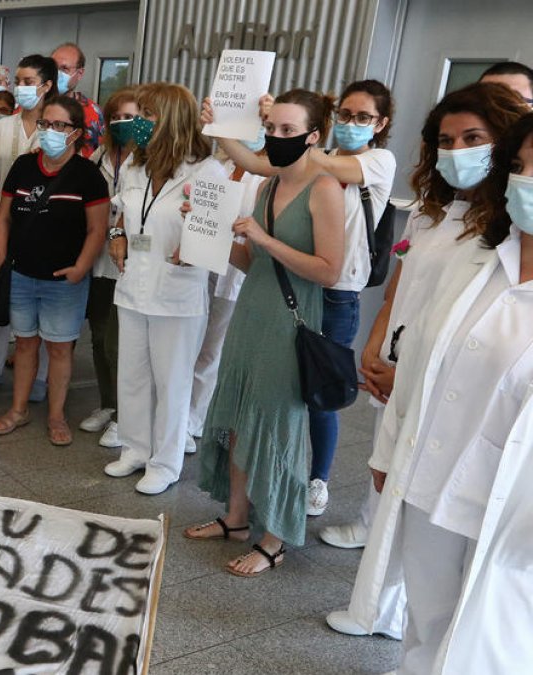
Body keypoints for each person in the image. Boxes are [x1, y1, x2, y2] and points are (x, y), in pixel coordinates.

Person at [325, 82, 528, 643]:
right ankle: (383, 611)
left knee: (428, 527)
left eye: (473, 138)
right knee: (395, 498)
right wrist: (378, 341)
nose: (456, 150)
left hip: (440, 384)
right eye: (446, 139)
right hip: (404, 362)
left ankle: (386, 613)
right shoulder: (436, 211)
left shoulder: (500, 234)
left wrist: (410, 369)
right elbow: (401, 287)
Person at [211, 81, 398, 516]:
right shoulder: (313, 164)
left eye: (363, 117)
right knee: (272, 396)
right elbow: (260, 165)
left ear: (381, 123)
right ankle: (244, 508)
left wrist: (285, 134)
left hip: (336, 293)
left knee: (318, 391)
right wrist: (224, 128)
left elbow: (277, 162)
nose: (352, 125)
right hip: (284, 289)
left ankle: (316, 479)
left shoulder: (372, 162)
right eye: (346, 115)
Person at [184, 89, 345, 575]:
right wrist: (209, 233)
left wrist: (263, 239)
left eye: (287, 131)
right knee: (236, 418)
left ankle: (273, 538)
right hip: (254, 311)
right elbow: (253, 262)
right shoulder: (269, 184)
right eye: (271, 128)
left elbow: (329, 271)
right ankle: (236, 518)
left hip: (289, 321)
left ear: (313, 137)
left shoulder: (325, 188)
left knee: (277, 426)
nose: (276, 138)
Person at [102, 82, 223, 493]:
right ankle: (135, 448)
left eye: (147, 116)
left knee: (172, 381)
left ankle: (166, 461)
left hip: (177, 292)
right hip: (134, 284)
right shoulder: (135, 166)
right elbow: (121, 213)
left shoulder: (207, 171)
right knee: (132, 375)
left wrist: (198, 246)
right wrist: (116, 235)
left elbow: (215, 236)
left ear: (171, 119)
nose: (137, 124)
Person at [0, 95, 108, 445]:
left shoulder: (88, 175)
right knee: (25, 345)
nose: (50, 131)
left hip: (64, 281)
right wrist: (2, 260)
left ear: (76, 132)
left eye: (60, 125)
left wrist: (80, 268)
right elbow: (3, 217)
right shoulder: (24, 166)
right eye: (45, 124)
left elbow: (97, 230)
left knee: (59, 349)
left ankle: (56, 416)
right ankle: (18, 409)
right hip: (22, 274)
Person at [0, 54, 56, 396]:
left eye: (28, 82)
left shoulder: (57, 129)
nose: (21, 88)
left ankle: (39, 376)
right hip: (4, 223)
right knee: (1, 294)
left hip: (44, 227)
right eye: (19, 82)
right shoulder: (0, 128)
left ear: (47, 86)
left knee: (40, 301)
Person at [187, 132, 269, 456]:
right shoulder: (216, 166)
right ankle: (184, 415)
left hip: (234, 271)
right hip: (201, 265)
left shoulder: (265, 172)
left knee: (212, 350)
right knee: (192, 345)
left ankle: (195, 421)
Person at [81, 86, 140, 449]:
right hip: (99, 259)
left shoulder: (148, 161)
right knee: (100, 337)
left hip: (131, 262)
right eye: (115, 117)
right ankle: (107, 404)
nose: (121, 123)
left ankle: (125, 418)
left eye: (129, 117)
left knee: (122, 344)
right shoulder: (99, 156)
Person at [50, 42, 104, 158]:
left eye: (64, 69)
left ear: (79, 74)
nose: (56, 74)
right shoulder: (33, 106)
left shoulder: (94, 114)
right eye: (53, 67)